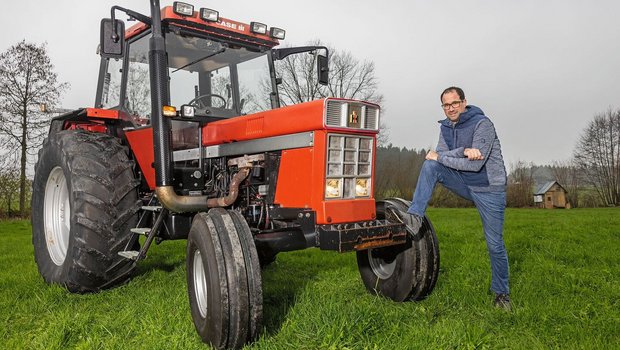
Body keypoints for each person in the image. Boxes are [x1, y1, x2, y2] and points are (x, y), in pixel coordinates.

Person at [399, 86, 511, 310]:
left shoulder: (483, 124)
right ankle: (414, 216)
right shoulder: (446, 128)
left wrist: (448, 155)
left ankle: (501, 293)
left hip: (489, 189)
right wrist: (461, 151)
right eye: (446, 105)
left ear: (464, 102)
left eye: (454, 103)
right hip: (465, 184)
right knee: (430, 166)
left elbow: (476, 164)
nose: (450, 108)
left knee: (494, 244)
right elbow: (438, 158)